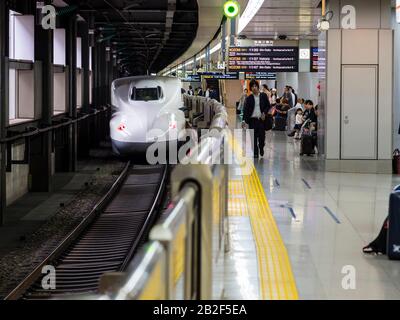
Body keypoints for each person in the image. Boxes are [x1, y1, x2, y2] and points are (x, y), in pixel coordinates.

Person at [242, 79, 271, 158]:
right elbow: (246, 110)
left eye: (255, 86)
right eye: (252, 86)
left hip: (261, 120)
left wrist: (264, 113)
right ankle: (255, 152)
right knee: (253, 137)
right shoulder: (249, 98)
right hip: (252, 120)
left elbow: (268, 106)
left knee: (261, 137)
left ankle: (261, 147)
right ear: (250, 88)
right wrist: (244, 120)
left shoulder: (263, 96)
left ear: (258, 87)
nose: (254, 88)